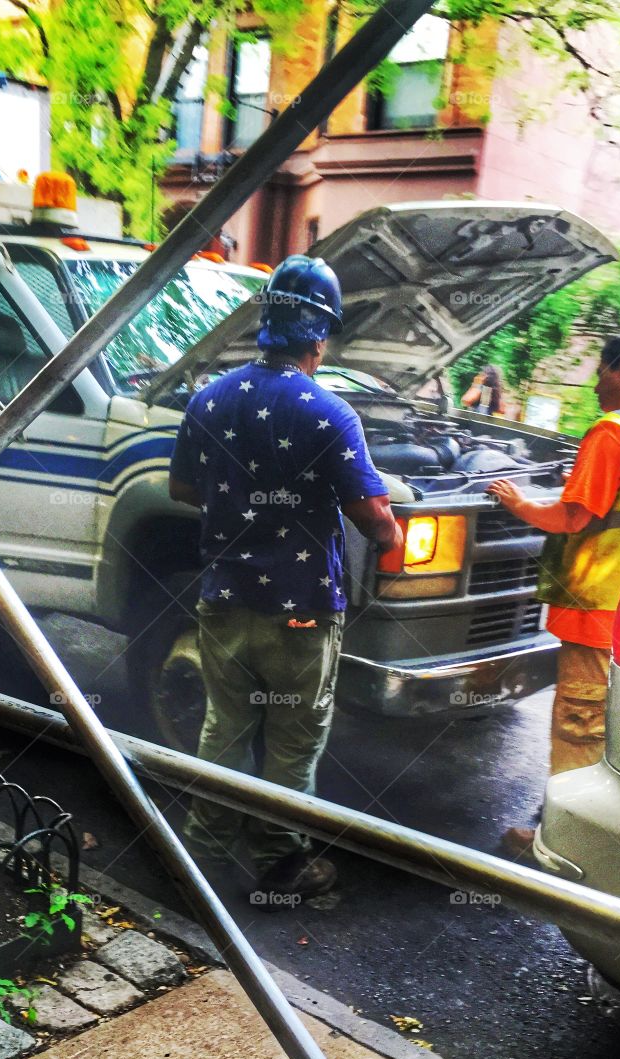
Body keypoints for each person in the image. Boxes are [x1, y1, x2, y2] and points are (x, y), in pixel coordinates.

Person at [169, 254, 402, 904]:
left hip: (222, 600)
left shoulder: (209, 399)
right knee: (294, 743)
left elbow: (183, 487)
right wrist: (392, 537)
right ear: (319, 339)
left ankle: (205, 854)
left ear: (266, 320)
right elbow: (372, 515)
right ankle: (280, 862)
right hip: (299, 613)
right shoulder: (329, 412)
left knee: (227, 726)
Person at [488, 333, 620, 856]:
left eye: (601, 370)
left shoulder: (614, 431)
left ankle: (561, 840)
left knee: (579, 723)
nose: (596, 383)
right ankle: (581, 820)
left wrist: (518, 503)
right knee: (612, 726)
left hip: (596, 603)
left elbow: (573, 516)